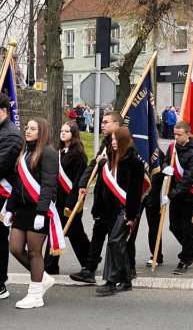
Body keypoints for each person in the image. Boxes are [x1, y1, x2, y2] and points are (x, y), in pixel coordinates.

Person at [4, 118, 58, 308]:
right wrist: (9, 208)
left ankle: (35, 295)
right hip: (22, 209)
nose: (27, 131)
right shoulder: (25, 152)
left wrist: (42, 212)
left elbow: (49, 185)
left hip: (38, 210)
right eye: (27, 128)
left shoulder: (49, 152)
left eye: (33, 129)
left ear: (41, 131)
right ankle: (42, 278)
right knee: (15, 248)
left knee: (35, 252)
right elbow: (18, 184)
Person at [70, 111, 121, 283]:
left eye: (106, 122)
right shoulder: (106, 143)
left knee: (117, 239)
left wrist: (104, 162)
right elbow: (94, 163)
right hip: (103, 198)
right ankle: (89, 270)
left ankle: (121, 273)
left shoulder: (124, 143)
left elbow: (121, 167)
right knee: (98, 233)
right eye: (103, 122)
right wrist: (83, 184)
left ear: (116, 124)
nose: (103, 124)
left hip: (117, 200)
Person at [95, 127, 144, 296]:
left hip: (126, 209)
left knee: (114, 241)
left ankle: (111, 281)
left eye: (116, 140)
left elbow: (135, 192)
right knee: (119, 243)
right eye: (112, 140)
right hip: (111, 210)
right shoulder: (111, 159)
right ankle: (127, 278)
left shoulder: (134, 162)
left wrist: (131, 215)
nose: (113, 142)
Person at [44, 121, 89, 274]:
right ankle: (50, 265)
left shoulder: (79, 155)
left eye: (67, 131)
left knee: (75, 234)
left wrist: (70, 204)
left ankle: (89, 261)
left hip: (71, 201)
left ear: (74, 134)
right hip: (58, 200)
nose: (63, 133)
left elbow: (77, 182)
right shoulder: (60, 152)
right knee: (61, 232)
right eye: (62, 131)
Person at [162, 121, 193, 275]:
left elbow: (188, 180)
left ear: (187, 134)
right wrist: (167, 167)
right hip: (176, 195)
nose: (176, 137)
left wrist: (170, 195)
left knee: (187, 229)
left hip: (188, 197)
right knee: (174, 227)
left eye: (179, 134)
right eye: (175, 134)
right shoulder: (173, 148)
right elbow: (166, 160)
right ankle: (191, 249)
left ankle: (185, 259)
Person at [0, 93, 23, 300]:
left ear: (3, 110)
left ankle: (0, 283)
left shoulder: (11, 135)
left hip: (4, 195)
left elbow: (1, 165)